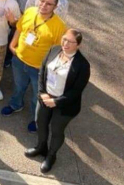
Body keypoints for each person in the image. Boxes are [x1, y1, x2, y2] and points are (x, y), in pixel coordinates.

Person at [25, 29, 90, 173]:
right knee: (40, 123)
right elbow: (42, 71)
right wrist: (42, 93)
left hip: (64, 105)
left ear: (78, 45)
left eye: (70, 42)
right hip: (45, 98)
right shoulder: (54, 50)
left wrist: (57, 102)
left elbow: (77, 90)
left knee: (56, 130)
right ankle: (41, 147)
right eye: (64, 39)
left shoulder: (82, 65)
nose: (65, 44)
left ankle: (51, 156)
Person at [1, 0, 67, 133]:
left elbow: (58, 51)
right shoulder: (30, 11)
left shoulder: (59, 26)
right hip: (19, 60)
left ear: (55, 7)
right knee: (19, 86)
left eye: (49, 4)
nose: (43, 5)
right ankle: (16, 104)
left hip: (39, 69)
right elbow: (19, 29)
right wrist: (12, 45)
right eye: (42, 1)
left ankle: (37, 119)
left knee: (37, 96)